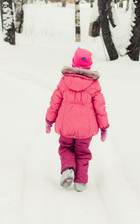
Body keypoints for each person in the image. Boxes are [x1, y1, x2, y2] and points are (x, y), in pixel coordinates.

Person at [45, 48, 109, 192]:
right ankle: (80, 181)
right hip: (85, 129)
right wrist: (104, 127)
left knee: (66, 147)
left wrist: (49, 120)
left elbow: (54, 103)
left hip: (66, 126)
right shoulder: (94, 85)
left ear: (73, 63)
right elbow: (100, 108)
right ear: (89, 66)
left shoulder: (64, 81)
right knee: (82, 152)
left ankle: (68, 169)